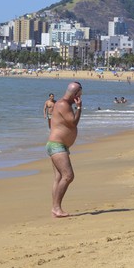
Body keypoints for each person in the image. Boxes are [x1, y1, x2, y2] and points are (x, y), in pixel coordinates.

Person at [47, 81, 83, 218]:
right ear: (76, 94)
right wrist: (79, 108)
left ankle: (55, 209)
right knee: (68, 176)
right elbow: (73, 122)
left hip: (58, 145)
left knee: (58, 177)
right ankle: (56, 208)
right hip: (57, 146)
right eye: (80, 94)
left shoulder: (64, 104)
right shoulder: (63, 104)